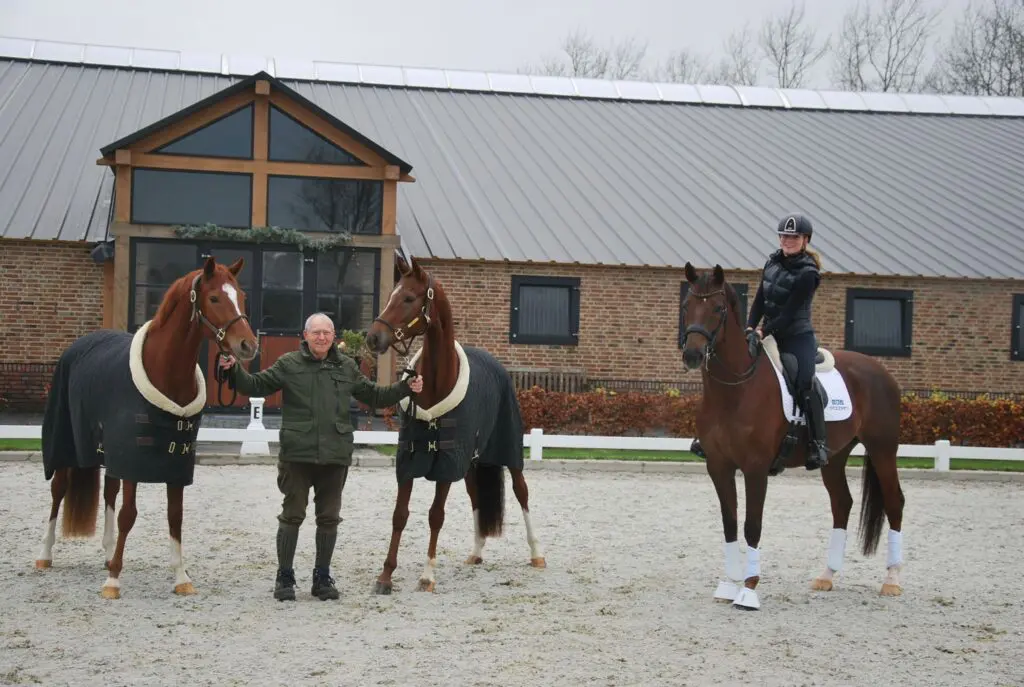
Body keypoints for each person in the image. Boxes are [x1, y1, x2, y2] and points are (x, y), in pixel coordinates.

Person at [218, 313, 423, 601]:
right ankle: (285, 577)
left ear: (333, 336)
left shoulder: (347, 366)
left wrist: (405, 387)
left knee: (328, 519)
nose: (322, 337)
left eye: (327, 333)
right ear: (305, 335)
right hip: (297, 457)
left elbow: (374, 395)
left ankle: (322, 577)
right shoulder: (289, 364)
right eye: (316, 333)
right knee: (292, 516)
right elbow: (255, 385)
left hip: (334, 457)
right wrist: (233, 370)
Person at [690, 213, 828, 470]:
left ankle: (817, 444)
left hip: (797, 337)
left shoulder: (809, 273)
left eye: (794, 237)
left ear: (805, 240)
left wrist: (764, 331)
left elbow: (790, 311)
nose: (787, 241)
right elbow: (761, 299)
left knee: (805, 381)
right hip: (765, 331)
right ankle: (709, 434)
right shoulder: (772, 262)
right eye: (784, 236)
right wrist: (751, 326)